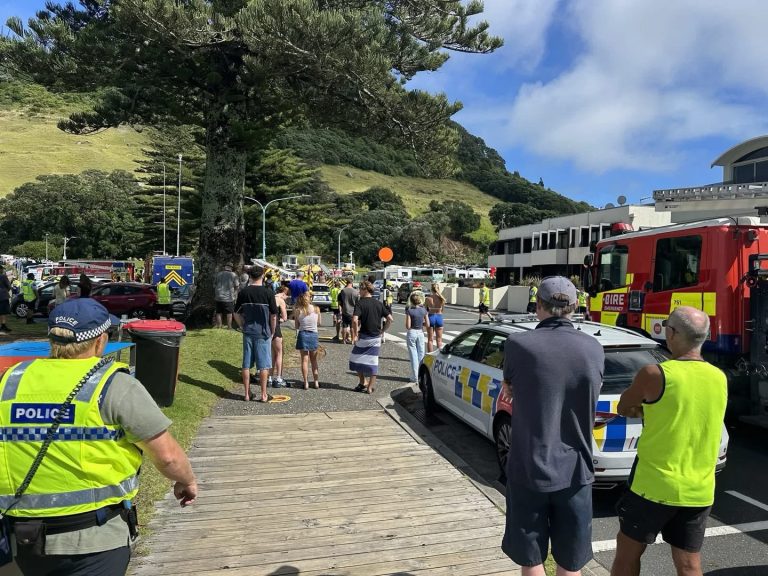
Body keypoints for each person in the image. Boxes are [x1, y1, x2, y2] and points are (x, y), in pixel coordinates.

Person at [0, 298, 197, 576]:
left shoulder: (11, 380)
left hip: (21, 538)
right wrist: (186, 480)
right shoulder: (114, 385)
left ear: (53, 338)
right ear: (101, 341)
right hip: (94, 539)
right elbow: (166, 455)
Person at [500, 276, 605, 576]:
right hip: (576, 469)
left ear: (538, 306)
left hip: (529, 466)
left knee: (531, 558)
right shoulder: (593, 347)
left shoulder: (518, 344)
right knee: (571, 563)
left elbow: (510, 385)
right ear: (574, 307)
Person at [610, 307, 727, 576]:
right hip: (699, 489)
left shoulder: (655, 374)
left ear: (671, 333)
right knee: (688, 563)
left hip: (653, 485)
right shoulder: (719, 377)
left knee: (628, 553)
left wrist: (643, 410)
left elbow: (624, 406)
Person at [234, 266, 277, 402]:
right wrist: (272, 330)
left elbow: (236, 312)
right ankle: (264, 394)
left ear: (250, 276)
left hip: (248, 331)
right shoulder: (268, 293)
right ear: (262, 276)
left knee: (246, 363)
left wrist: (241, 325)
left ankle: (247, 394)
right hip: (263, 332)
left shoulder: (244, 292)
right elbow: (274, 315)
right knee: (263, 364)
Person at [349, 281, 392, 394]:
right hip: (376, 337)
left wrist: (355, 334)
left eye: (360, 289)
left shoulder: (360, 303)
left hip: (363, 336)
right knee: (373, 361)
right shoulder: (378, 303)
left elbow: (354, 320)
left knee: (355, 359)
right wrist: (383, 330)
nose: (359, 292)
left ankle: (363, 381)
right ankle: (369, 387)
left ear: (365, 290)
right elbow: (390, 319)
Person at [293, 291, 321, 390]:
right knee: (314, 360)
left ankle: (306, 383)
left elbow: (296, 326)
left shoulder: (298, 310)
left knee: (304, 360)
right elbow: (319, 323)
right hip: (313, 334)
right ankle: (316, 382)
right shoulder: (317, 309)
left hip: (303, 334)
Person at [405, 291, 430, 385]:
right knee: (421, 354)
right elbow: (428, 324)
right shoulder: (424, 310)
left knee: (413, 355)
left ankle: (415, 376)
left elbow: (407, 326)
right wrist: (421, 323)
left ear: (411, 301)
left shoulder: (409, 310)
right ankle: (420, 375)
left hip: (412, 332)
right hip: (420, 332)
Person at [269, 284, 290, 389]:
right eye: (287, 296)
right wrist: (280, 320)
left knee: (271, 354)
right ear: (284, 293)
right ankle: (278, 378)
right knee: (279, 353)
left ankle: (269, 377)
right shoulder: (281, 301)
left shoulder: (270, 297)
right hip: (276, 328)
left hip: (267, 328)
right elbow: (285, 317)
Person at [214, 263, 239, 329]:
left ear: (225, 267)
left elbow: (214, 284)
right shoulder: (233, 275)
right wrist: (235, 293)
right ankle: (229, 326)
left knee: (218, 312)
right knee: (229, 312)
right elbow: (237, 286)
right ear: (231, 268)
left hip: (218, 296)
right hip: (229, 297)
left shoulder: (218, 274)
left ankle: (219, 326)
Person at [425, 283, 446, 352]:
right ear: (438, 289)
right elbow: (442, 310)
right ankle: (438, 356)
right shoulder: (441, 299)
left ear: (431, 289)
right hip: (439, 317)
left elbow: (425, 310)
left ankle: (430, 358)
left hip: (431, 317)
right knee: (439, 340)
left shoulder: (428, 298)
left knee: (430, 340)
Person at [338, 278, 359, 345]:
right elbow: (358, 302)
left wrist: (342, 307)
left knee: (344, 326)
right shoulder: (355, 291)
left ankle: (344, 340)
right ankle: (352, 340)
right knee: (352, 327)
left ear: (346, 283)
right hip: (353, 311)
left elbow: (340, 301)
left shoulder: (343, 291)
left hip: (345, 311)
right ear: (352, 283)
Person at [0, 265, 11, 333]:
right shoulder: (3, 276)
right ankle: (3, 326)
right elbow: (9, 286)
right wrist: (5, 290)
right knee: (3, 312)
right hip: (3, 296)